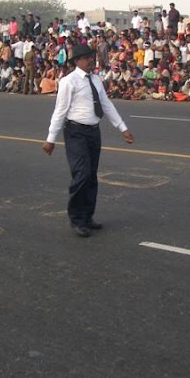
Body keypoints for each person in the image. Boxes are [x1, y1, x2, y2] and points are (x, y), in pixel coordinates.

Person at [42, 43, 134, 237]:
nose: (91, 59)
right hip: (76, 132)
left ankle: (87, 216)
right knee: (81, 174)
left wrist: (122, 127)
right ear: (77, 61)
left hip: (93, 131)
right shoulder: (69, 81)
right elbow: (60, 111)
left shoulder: (96, 79)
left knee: (91, 175)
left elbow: (105, 104)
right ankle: (77, 219)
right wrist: (51, 138)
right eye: (86, 57)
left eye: (91, 56)